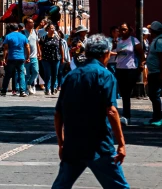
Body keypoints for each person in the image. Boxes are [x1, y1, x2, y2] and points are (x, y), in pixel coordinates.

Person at [52, 33, 129, 189]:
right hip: (99, 144)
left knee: (61, 185)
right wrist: (121, 143)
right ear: (106, 54)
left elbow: (58, 113)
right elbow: (111, 111)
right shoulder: (105, 75)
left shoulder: (71, 76)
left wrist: (61, 143)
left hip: (73, 143)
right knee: (118, 186)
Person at [114, 22, 144, 125]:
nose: (122, 31)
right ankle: (126, 115)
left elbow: (141, 54)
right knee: (123, 93)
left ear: (129, 30)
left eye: (125, 29)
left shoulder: (133, 40)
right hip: (119, 69)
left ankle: (127, 115)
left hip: (130, 69)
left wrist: (141, 65)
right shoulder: (118, 41)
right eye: (121, 29)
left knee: (127, 93)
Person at [0, 23, 30, 97]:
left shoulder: (8, 36)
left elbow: (6, 49)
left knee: (8, 75)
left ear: (10, 29)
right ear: (18, 29)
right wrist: (28, 57)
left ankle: (4, 90)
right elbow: (27, 47)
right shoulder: (23, 36)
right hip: (21, 58)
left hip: (11, 58)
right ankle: (22, 91)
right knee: (21, 74)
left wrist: (4, 58)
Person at [146, 20, 162, 125]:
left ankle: (158, 118)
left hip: (157, 73)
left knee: (154, 94)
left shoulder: (159, 41)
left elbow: (161, 57)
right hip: (154, 72)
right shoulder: (156, 40)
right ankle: (156, 117)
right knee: (153, 94)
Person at [40, 22, 62, 96]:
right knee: (47, 74)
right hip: (46, 58)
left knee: (54, 74)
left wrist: (62, 58)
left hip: (56, 58)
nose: (53, 29)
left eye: (53, 28)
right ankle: (47, 89)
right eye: (51, 28)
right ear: (48, 29)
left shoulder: (57, 37)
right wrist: (40, 55)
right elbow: (40, 48)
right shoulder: (43, 38)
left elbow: (60, 48)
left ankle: (53, 88)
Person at [24, 17, 41, 95]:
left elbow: (37, 43)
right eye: (31, 22)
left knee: (35, 72)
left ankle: (29, 84)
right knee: (26, 74)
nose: (33, 24)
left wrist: (39, 52)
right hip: (25, 57)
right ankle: (26, 89)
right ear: (26, 24)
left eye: (33, 22)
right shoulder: (23, 33)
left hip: (34, 56)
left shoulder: (35, 32)